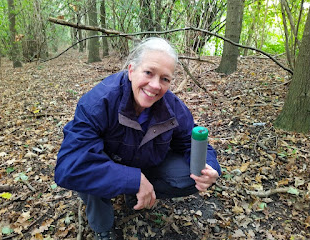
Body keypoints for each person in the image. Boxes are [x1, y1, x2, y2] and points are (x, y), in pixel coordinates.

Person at [55, 37, 221, 240]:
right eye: (149, 73)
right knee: (87, 170)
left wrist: (208, 166)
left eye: (165, 79)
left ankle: (134, 195)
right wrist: (133, 179)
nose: (155, 85)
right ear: (132, 70)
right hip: (109, 164)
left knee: (193, 174)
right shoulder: (98, 102)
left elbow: (189, 140)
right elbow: (69, 166)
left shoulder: (172, 106)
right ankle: (102, 226)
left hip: (145, 162)